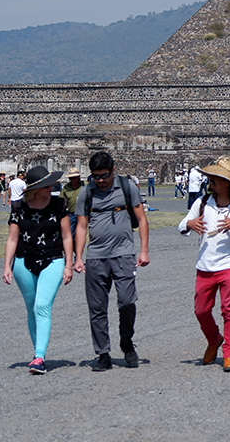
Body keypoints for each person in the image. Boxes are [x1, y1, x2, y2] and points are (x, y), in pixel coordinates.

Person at [179, 156, 230, 372]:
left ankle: (229, 353)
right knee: (201, 310)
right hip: (205, 266)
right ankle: (214, 339)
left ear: (228, 182)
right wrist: (190, 223)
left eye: (215, 178)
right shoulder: (202, 203)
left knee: (229, 309)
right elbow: (181, 225)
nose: (210, 181)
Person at [74, 150, 149, 371]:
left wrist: (143, 251)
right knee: (97, 307)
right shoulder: (86, 192)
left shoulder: (127, 187)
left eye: (104, 175)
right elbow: (81, 226)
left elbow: (142, 219)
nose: (100, 180)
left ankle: (126, 341)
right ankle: (103, 353)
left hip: (124, 253)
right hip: (96, 256)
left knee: (127, 301)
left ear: (113, 171)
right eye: (96, 176)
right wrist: (78, 257)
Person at [3, 166, 73, 374]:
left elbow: (67, 236)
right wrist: (6, 265)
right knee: (32, 307)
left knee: (42, 305)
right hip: (23, 261)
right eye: (46, 183)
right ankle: (37, 353)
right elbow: (12, 238)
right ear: (36, 187)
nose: (51, 186)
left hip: (53, 259)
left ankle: (39, 357)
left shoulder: (59, 204)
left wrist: (69, 264)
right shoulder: (19, 207)